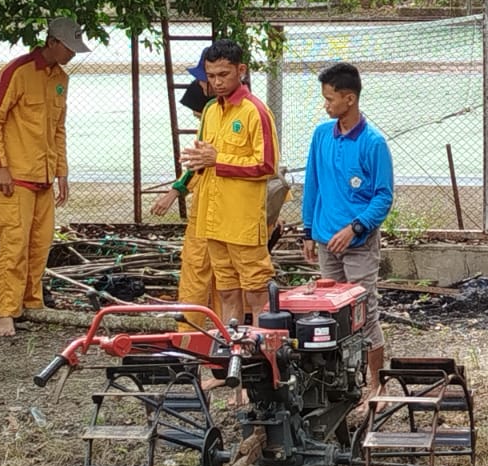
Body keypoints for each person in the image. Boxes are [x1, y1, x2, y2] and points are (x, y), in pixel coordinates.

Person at [0, 17, 87, 337]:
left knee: (40, 245)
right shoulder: (18, 71)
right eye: (69, 48)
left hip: (43, 177)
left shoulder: (61, 79)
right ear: (53, 42)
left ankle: (32, 303)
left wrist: (62, 172)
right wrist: (0, 167)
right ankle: (6, 312)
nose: (73, 54)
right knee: (13, 246)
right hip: (15, 177)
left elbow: (58, 128)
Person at [301, 61, 393, 392]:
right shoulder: (321, 135)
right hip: (326, 240)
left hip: (358, 244)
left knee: (364, 311)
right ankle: (338, 380)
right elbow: (312, 183)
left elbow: (383, 197)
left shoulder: (373, 143)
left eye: (329, 99)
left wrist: (356, 228)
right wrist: (309, 230)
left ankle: (375, 383)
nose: (325, 105)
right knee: (330, 313)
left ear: (349, 98)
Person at [180, 39, 280, 327]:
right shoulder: (211, 110)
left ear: (241, 71)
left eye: (223, 75)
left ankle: (266, 363)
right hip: (214, 222)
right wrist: (197, 164)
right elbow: (205, 157)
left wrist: (217, 160)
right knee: (226, 293)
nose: (217, 82)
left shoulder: (254, 111)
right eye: (211, 76)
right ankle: (230, 364)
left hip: (243, 224)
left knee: (257, 294)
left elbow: (267, 165)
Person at [153, 60, 217, 328]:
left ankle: (189, 332)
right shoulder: (233, 110)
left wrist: (174, 192)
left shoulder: (216, 112)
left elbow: (197, 165)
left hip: (214, 210)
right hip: (226, 208)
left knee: (197, 269)